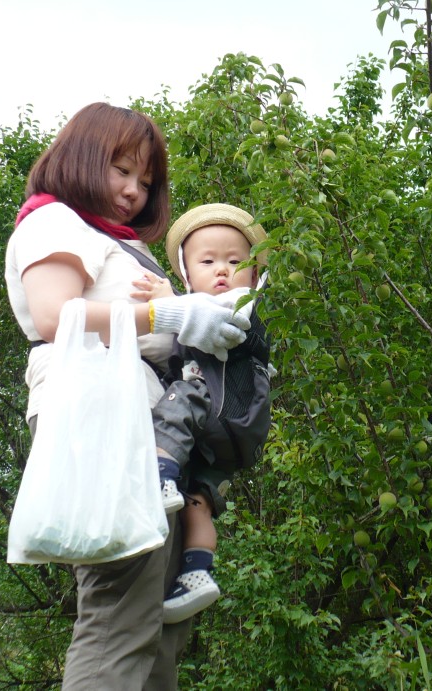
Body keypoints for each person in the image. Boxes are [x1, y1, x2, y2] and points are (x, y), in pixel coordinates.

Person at [4, 102, 251, 690]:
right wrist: (170, 312)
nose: (133, 191)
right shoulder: (54, 220)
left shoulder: (114, 241)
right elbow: (52, 314)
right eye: (121, 170)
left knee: (158, 623)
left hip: (147, 428)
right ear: (83, 157)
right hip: (102, 415)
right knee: (120, 611)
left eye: (145, 181)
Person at [130, 203, 271, 624]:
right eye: (208, 262)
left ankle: (159, 475)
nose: (223, 271)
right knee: (200, 500)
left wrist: (165, 301)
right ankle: (197, 571)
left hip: (220, 405)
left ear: (254, 275)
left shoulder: (240, 307)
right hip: (230, 437)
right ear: (188, 273)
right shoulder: (211, 304)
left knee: (177, 401)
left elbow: (202, 321)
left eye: (235, 261)